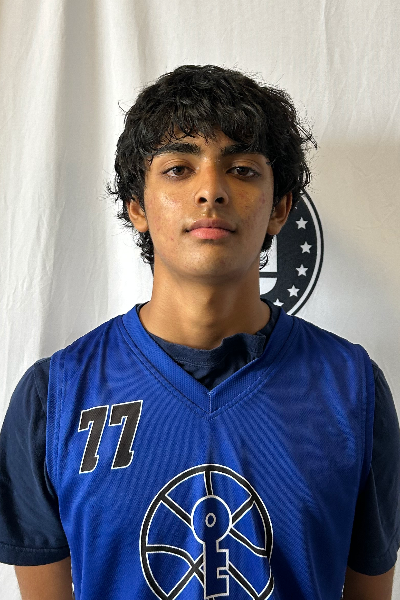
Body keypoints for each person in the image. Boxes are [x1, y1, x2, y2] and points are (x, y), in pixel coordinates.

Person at [0, 64, 399, 600]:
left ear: (281, 208)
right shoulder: (53, 397)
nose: (210, 190)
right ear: (137, 206)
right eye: (178, 168)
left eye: (242, 169)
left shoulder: (353, 389)